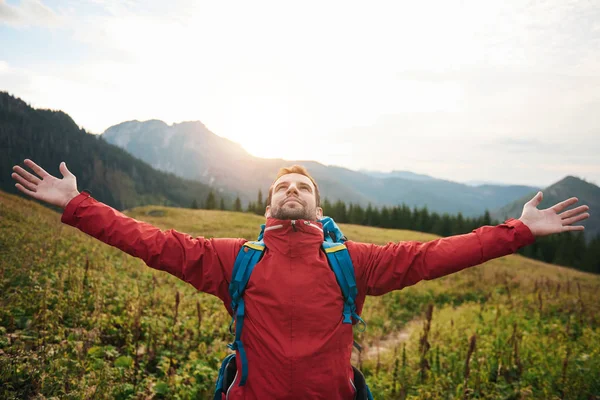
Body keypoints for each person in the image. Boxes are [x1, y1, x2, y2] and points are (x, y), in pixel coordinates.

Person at [11, 159, 590, 400]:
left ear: (318, 207)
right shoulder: (231, 257)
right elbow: (150, 241)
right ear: (267, 207)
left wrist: (518, 231)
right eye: (281, 187)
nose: (291, 191)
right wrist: (77, 205)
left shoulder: (352, 261)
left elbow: (433, 255)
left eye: (303, 188)